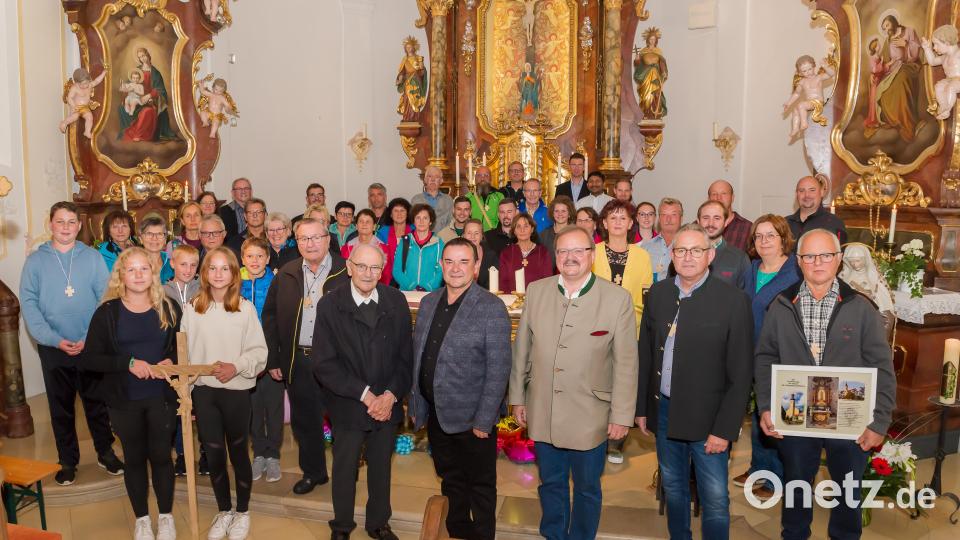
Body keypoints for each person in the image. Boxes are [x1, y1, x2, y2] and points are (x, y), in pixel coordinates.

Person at [755, 229, 895, 540]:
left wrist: (879, 420)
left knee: (847, 489)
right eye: (809, 256)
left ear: (839, 259)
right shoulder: (781, 304)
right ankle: (794, 534)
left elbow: (882, 367)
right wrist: (766, 406)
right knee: (796, 485)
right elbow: (765, 357)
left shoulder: (860, 307)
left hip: (849, 420)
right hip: (796, 416)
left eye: (826, 255)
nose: (818, 262)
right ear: (798, 262)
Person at [510, 226, 638, 540]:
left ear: (591, 256)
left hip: (590, 414)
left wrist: (621, 415)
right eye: (564, 251)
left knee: (587, 488)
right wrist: (517, 397)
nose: (571, 258)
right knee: (550, 483)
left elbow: (626, 362)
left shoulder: (616, 298)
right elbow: (522, 350)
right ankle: (553, 534)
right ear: (555, 257)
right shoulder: (537, 291)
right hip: (544, 408)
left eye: (578, 250)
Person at [635, 223, 754, 540]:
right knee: (673, 487)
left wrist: (724, 429)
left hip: (709, 420)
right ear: (671, 255)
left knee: (714, 497)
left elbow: (741, 373)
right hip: (664, 412)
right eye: (681, 250)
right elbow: (645, 354)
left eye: (696, 250)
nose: (688, 257)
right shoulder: (659, 294)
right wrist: (642, 407)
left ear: (710, 255)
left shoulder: (732, 301)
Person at [410, 238, 512, 540]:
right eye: (450, 261)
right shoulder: (429, 302)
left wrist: (484, 420)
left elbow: (498, 368)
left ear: (477, 266)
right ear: (440, 265)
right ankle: (457, 529)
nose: (456, 268)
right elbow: (421, 355)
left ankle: (481, 535)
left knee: (480, 485)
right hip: (437, 414)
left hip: (473, 420)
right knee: (450, 478)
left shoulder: (491, 307)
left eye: (464, 261)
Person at [313, 244, 413, 540]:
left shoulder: (395, 300)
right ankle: (342, 525)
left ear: (382, 271)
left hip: (387, 402)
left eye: (375, 268)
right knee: (345, 469)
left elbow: (406, 358)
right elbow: (324, 364)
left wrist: (391, 395)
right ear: (349, 265)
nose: (368, 274)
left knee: (381, 468)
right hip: (349, 404)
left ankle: (379, 523)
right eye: (362, 266)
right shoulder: (330, 305)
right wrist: (367, 395)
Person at [20, 202, 123, 485]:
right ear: (51, 224)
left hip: (89, 346)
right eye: (60, 221)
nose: (65, 227)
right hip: (54, 347)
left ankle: (105, 452)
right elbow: (29, 305)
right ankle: (67, 460)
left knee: (96, 404)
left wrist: (89, 338)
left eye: (71, 222)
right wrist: (54, 339)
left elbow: (105, 299)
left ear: (79, 226)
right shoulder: (35, 262)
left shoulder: (91, 258)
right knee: (61, 407)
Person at [83, 247, 180, 540]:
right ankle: (141, 519)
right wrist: (127, 363)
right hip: (124, 399)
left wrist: (171, 362)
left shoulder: (169, 308)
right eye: (131, 270)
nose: (138, 275)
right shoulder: (107, 313)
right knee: (135, 458)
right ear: (121, 276)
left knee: (162, 457)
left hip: (161, 396)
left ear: (153, 274)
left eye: (144, 269)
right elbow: (90, 359)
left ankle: (165, 517)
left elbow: (181, 348)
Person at [182, 247, 268, 540]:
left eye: (225, 268)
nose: (218, 274)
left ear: (234, 273)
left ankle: (242, 511)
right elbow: (187, 355)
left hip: (236, 391)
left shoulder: (245, 308)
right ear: (204, 273)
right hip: (205, 393)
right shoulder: (193, 309)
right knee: (214, 453)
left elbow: (259, 352)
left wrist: (237, 366)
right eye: (212, 268)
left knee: (238, 451)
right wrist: (187, 390)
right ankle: (224, 509)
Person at [262, 218, 349, 495]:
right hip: (298, 360)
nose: (310, 244)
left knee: (343, 423)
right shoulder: (286, 273)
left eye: (315, 237)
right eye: (303, 239)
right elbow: (271, 317)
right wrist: (274, 359)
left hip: (337, 363)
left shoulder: (347, 271)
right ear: (296, 242)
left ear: (327, 239)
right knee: (304, 422)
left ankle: (345, 476)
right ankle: (314, 473)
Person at [730, 215, 800, 500]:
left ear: (784, 238)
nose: (763, 241)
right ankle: (758, 468)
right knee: (759, 414)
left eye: (770, 235)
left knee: (774, 415)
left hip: (780, 354)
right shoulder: (752, 268)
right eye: (758, 236)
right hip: (748, 350)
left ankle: (776, 479)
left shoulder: (795, 270)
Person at [593, 200, 653, 464]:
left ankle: (616, 441)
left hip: (633, 327)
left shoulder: (642, 256)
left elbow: (646, 294)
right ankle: (596, 433)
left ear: (631, 224)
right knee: (599, 381)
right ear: (604, 223)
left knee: (625, 382)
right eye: (612, 217)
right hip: (596, 327)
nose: (617, 222)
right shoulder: (591, 252)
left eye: (623, 218)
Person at [697, 200, 750, 288]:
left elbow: (745, 297)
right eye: (706, 218)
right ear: (698, 221)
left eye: (717, 218)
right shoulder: (683, 254)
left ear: (726, 222)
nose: (711, 223)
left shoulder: (740, 258)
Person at [393, 204, 444, 292]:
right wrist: (411, 286)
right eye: (418, 218)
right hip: (406, 292)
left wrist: (428, 287)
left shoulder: (439, 243)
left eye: (425, 218)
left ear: (430, 221)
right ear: (413, 221)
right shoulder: (404, 241)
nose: (421, 221)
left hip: (430, 293)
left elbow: (442, 270)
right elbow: (396, 270)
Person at [498, 213, 554, 293]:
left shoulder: (542, 252)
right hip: (513, 301)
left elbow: (547, 281)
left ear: (532, 229)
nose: (522, 230)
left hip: (537, 300)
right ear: (514, 230)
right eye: (518, 226)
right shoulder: (506, 253)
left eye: (526, 226)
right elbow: (503, 283)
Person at [786, 175, 848, 245]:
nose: (807, 195)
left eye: (812, 190)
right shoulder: (785, 224)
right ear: (796, 194)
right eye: (801, 190)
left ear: (821, 192)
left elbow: (839, 253)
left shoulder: (835, 223)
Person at [341, 209, 391, 285]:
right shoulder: (346, 248)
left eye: (368, 222)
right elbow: (343, 274)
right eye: (361, 221)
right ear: (356, 226)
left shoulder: (384, 249)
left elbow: (386, 275)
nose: (364, 224)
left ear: (374, 227)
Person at [640, 197, 682, 282]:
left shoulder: (688, 248)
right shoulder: (645, 248)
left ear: (681, 218)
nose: (668, 219)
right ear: (659, 218)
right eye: (664, 214)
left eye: (673, 214)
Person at [377, 198, 413, 287]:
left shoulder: (415, 231)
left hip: (410, 278)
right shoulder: (382, 233)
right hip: (387, 278)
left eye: (402, 210)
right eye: (396, 211)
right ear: (391, 215)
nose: (399, 214)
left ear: (407, 213)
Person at [708, 180, 753, 252]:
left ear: (732, 197)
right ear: (709, 198)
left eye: (724, 193)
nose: (719, 198)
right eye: (714, 194)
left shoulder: (748, 228)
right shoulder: (696, 227)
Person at [412, 165, 454, 232]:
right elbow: (413, 223)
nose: (433, 179)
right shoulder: (416, 200)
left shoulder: (448, 200)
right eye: (429, 176)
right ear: (425, 180)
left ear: (441, 181)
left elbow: (451, 222)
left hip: (444, 239)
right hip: (422, 238)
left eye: (437, 177)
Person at [462, 219, 499, 290]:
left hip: (486, 297)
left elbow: (495, 283)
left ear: (482, 236)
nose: (472, 236)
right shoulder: (456, 255)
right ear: (463, 235)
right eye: (469, 233)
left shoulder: (491, 256)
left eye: (476, 233)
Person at [540, 196, 576, 264]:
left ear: (569, 214)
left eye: (563, 211)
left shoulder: (576, 234)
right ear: (552, 213)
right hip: (549, 273)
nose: (560, 214)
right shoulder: (544, 235)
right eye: (556, 211)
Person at [466, 166, 504, 231]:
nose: (482, 178)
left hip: (494, 235)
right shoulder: (468, 197)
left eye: (486, 175)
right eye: (479, 175)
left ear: (491, 178)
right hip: (474, 236)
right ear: (475, 179)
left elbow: (503, 217)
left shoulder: (499, 196)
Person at [139, 216, 175, 283]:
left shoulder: (173, 264)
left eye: (159, 234)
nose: (154, 238)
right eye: (149, 234)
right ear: (141, 239)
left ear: (165, 239)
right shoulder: (133, 264)